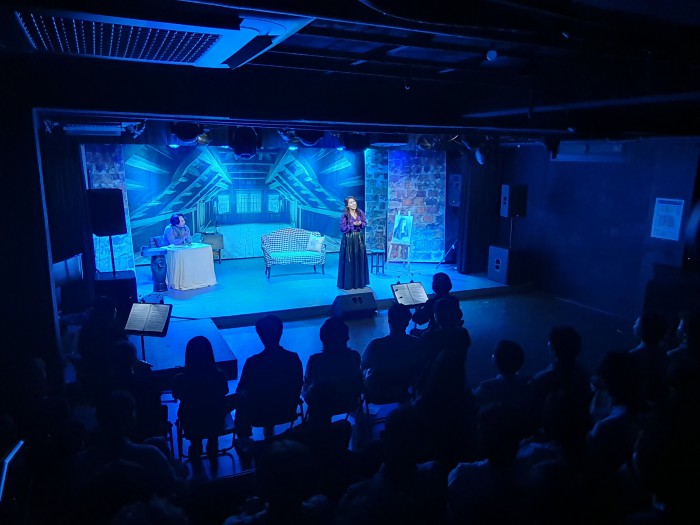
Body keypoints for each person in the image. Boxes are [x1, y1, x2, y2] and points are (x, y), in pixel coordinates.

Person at [171, 336, 231, 458]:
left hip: (191, 421)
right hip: (215, 420)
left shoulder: (179, 379)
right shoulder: (219, 375)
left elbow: (176, 395)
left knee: (194, 431)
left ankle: (195, 446)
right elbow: (225, 391)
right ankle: (213, 445)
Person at [410, 272, 459, 337]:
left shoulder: (431, 302)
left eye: (433, 282)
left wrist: (418, 309)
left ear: (435, 286)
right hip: (451, 331)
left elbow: (419, 320)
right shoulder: (454, 299)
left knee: (413, 331)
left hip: (435, 333)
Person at [337, 196, 369, 290]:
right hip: (349, 238)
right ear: (347, 205)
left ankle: (359, 283)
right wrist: (352, 224)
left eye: (354, 201)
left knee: (359, 259)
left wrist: (360, 224)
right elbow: (342, 228)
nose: (353, 203)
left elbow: (364, 223)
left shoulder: (360, 212)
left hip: (359, 239)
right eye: (351, 202)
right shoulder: (345, 215)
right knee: (349, 260)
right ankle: (348, 283)